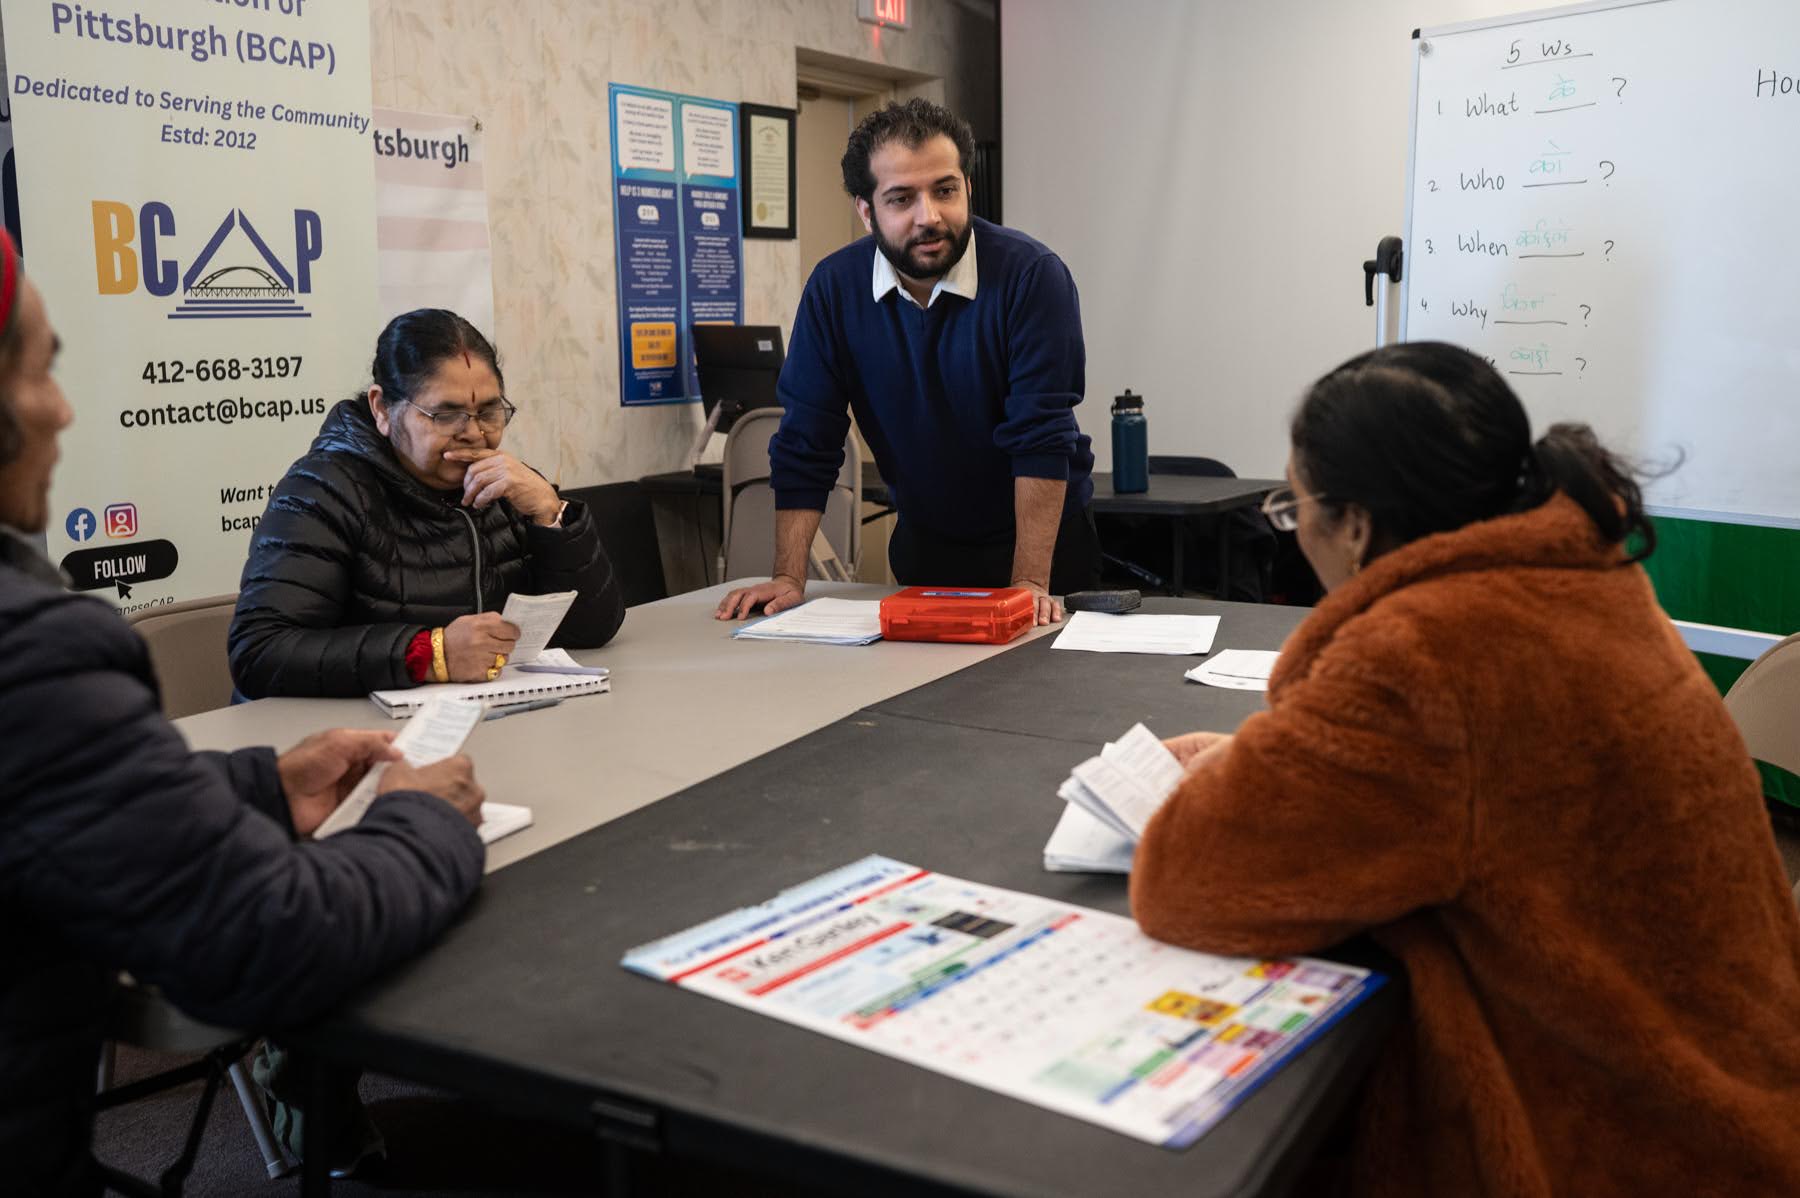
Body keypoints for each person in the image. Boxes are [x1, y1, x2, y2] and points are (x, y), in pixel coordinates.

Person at [1131, 342, 1800, 1196]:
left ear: (1358, 523)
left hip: (1625, 1144)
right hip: (1737, 1087)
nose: (1291, 530)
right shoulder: (1580, 575)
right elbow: (1473, 794)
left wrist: (1245, 777)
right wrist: (1255, 760)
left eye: (1290, 505)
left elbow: (1187, 880)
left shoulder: (1421, 658)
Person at [0, 231, 489, 1196]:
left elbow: (50, 790)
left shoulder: (490, 490)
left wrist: (257, 786)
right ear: (386, 408)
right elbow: (275, 941)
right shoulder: (35, 652)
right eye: (36, 370)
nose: (62, 408)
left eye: (488, 411)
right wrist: (423, 818)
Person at [716, 98, 1096, 627]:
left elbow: (1041, 437)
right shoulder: (834, 289)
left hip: (1045, 554)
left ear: (968, 187)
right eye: (901, 199)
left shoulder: (1032, 277)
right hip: (927, 546)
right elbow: (808, 440)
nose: (929, 216)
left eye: (945, 190)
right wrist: (788, 578)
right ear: (866, 211)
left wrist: (1028, 583)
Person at [230, 309, 624, 699]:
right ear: (382, 410)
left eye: (488, 411)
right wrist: (430, 653)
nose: (473, 433)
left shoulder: (508, 487)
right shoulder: (322, 490)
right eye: (445, 414)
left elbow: (592, 630)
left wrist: (551, 515)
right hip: (353, 740)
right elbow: (260, 652)